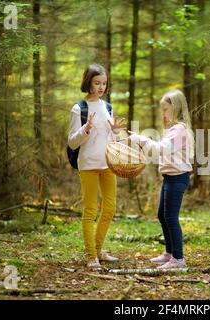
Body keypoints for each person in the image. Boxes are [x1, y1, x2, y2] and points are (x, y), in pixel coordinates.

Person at [67, 63, 126, 268]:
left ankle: (98, 250)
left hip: (107, 164)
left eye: (104, 83)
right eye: (97, 83)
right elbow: (72, 141)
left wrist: (116, 132)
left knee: (109, 209)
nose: (101, 87)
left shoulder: (107, 107)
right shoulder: (79, 109)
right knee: (90, 211)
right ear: (88, 83)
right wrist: (86, 128)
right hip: (88, 165)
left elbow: (110, 138)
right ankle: (91, 256)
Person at [128, 89, 194, 269]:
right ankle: (170, 253)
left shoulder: (179, 130)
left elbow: (163, 149)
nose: (163, 113)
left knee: (171, 217)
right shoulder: (172, 129)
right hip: (169, 178)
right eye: (162, 110)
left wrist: (141, 140)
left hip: (178, 178)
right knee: (162, 215)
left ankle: (179, 259)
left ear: (176, 108)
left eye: (166, 109)